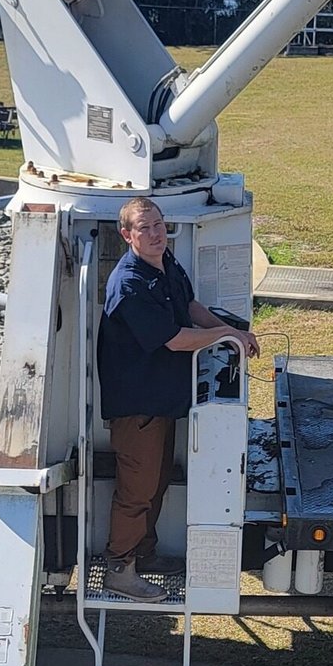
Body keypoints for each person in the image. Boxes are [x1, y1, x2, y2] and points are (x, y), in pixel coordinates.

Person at [98, 196, 259, 601]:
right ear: (126, 235)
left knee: (156, 484)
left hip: (161, 403)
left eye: (159, 225)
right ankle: (120, 569)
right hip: (137, 408)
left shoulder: (165, 262)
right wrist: (228, 337)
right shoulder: (129, 283)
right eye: (144, 228)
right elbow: (175, 339)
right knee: (136, 490)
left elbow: (189, 307)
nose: (155, 234)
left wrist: (229, 329)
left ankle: (144, 555)